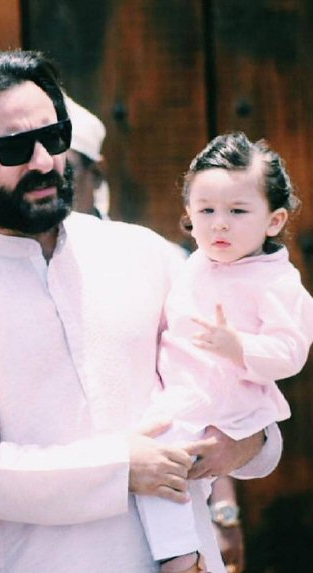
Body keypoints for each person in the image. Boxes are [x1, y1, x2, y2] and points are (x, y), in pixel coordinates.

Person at [0, 49, 283, 573]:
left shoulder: (145, 255)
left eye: (54, 138)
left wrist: (243, 442)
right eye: (13, 147)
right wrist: (121, 468)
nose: (42, 162)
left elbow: (244, 395)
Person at [65, 96, 246, 573]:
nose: (51, 184)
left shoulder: (157, 259)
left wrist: (224, 510)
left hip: (176, 514)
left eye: (66, 170)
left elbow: (209, 384)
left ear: (95, 174)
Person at [134, 131, 313, 572]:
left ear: (273, 221)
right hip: (185, 393)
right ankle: (184, 550)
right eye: (206, 210)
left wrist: (239, 346)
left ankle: (180, 556)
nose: (219, 224)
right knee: (160, 460)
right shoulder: (193, 263)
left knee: (161, 457)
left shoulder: (275, 280)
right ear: (188, 214)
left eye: (237, 211)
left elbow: (291, 351)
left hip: (228, 399)